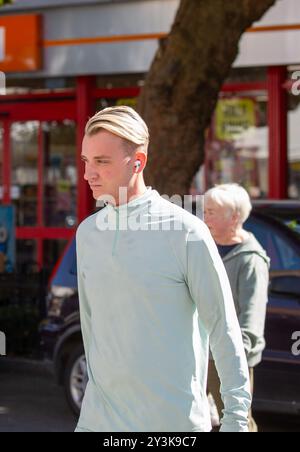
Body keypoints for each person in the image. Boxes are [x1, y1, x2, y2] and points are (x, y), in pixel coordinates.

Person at [75, 106, 251, 433]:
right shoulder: (87, 234)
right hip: (97, 423)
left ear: (138, 162)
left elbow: (224, 331)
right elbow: (91, 332)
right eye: (86, 161)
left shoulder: (185, 232)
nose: (88, 174)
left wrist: (236, 422)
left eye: (102, 161)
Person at [204, 184, 270, 432]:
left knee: (236, 423)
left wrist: (232, 357)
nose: (205, 217)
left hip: (229, 358)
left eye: (212, 212)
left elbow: (251, 320)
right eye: (205, 210)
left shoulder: (251, 260)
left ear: (234, 218)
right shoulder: (203, 247)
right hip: (198, 352)